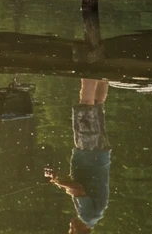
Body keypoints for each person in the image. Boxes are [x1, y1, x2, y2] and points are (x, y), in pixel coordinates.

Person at [45, 78, 112, 233]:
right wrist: (56, 181)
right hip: (89, 154)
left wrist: (59, 180)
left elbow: (81, 184)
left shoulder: (96, 216)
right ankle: (89, 71)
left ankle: (103, 76)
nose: (70, 226)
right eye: (70, 230)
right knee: (86, 107)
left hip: (100, 155)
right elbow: (77, 189)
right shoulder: (87, 216)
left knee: (97, 106)